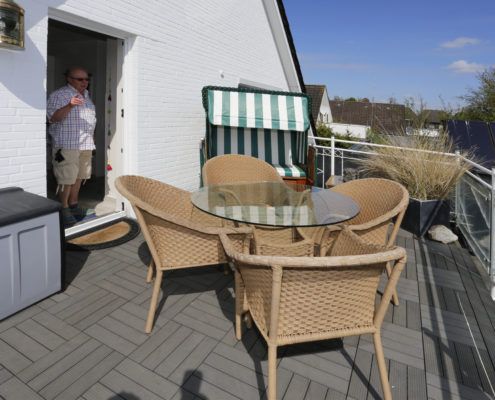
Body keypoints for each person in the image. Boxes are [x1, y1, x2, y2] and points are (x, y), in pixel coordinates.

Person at [47, 67, 96, 226]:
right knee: (66, 178)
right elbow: (52, 119)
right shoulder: (59, 95)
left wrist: (91, 138)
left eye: (86, 79)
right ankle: (64, 208)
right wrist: (69, 105)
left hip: (85, 144)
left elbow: (90, 122)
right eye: (80, 79)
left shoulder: (87, 97)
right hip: (67, 144)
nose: (85, 82)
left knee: (79, 176)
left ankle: (74, 205)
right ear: (69, 79)